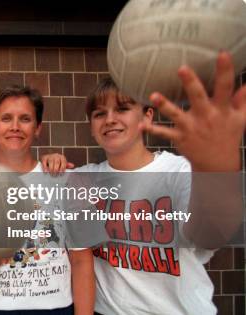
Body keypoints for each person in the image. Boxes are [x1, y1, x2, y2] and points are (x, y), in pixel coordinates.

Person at [74, 52, 245, 315]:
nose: (109, 119)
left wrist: (217, 173)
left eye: (122, 108)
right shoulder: (82, 179)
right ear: (91, 125)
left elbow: (210, 234)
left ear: (147, 117)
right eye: (99, 113)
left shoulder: (177, 171)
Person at [0, 86, 97, 315]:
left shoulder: (66, 181)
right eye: (6, 119)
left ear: (37, 128)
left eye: (25, 119)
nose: (15, 126)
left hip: (53, 308)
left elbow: (82, 262)